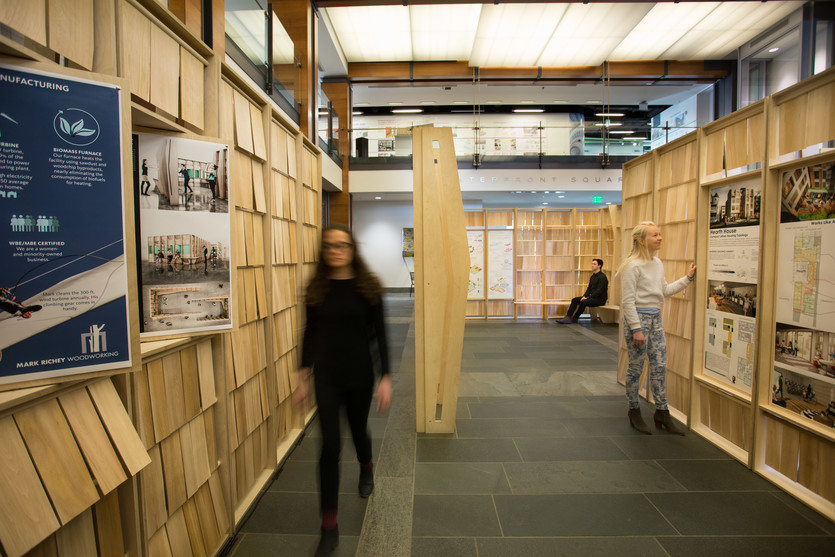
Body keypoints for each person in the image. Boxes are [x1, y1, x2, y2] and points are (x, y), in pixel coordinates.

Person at [293, 224, 392, 556]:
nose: (335, 251)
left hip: (360, 375)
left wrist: (386, 377)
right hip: (327, 377)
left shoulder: (369, 288)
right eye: (329, 246)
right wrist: (302, 373)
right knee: (329, 447)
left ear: (352, 249)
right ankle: (329, 528)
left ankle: (366, 465)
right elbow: (310, 333)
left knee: (358, 430)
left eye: (342, 245)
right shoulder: (316, 289)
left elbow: (380, 333)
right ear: (323, 251)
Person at [616, 221, 695, 436]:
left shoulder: (657, 263)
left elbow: (664, 291)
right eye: (654, 235)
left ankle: (662, 412)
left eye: (659, 234)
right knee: (636, 368)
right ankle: (634, 410)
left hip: (656, 318)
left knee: (659, 366)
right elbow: (628, 301)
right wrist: (636, 329)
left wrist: (687, 279)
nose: (659, 238)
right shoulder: (632, 266)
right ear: (642, 240)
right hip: (638, 320)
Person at [557, 258, 608, 323]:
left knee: (583, 302)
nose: (592, 265)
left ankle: (575, 318)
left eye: (594, 264)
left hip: (600, 299)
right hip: (592, 297)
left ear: (599, 266)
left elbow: (599, 291)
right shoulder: (593, 276)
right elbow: (589, 288)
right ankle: (568, 317)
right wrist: (584, 296)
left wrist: (588, 297)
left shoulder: (602, 277)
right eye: (592, 264)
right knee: (574, 300)